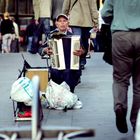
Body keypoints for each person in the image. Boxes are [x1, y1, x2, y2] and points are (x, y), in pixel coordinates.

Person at [101, 0, 140, 133]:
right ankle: (136, 122)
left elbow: (105, 14)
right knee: (139, 85)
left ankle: (120, 107)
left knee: (120, 79)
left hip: (121, 36)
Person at [39, 14, 84, 93]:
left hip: (71, 68)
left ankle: (68, 95)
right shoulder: (51, 36)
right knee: (55, 72)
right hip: (56, 67)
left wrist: (82, 52)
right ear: (56, 24)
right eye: (60, 21)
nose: (62, 23)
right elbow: (40, 49)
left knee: (68, 72)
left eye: (64, 21)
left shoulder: (75, 37)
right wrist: (45, 50)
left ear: (68, 23)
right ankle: (60, 96)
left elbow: (84, 51)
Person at [62, 0, 99, 69]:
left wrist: (63, 17)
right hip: (87, 21)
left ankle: (77, 61)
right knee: (84, 41)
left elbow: (66, 6)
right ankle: (82, 60)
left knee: (76, 42)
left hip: (75, 20)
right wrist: (96, 22)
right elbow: (93, 8)